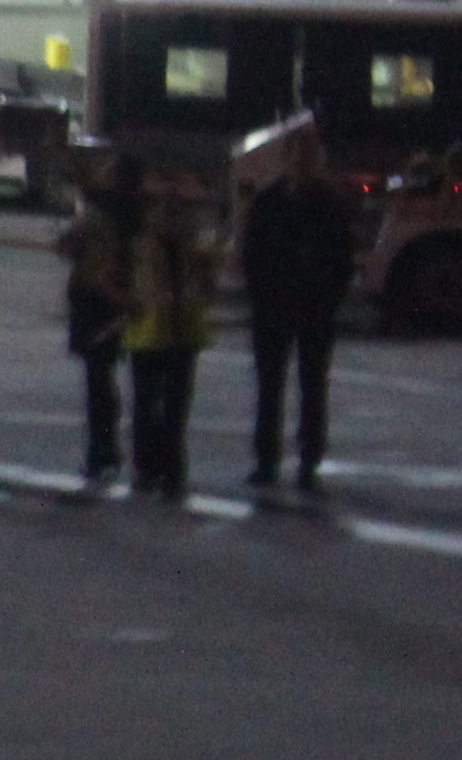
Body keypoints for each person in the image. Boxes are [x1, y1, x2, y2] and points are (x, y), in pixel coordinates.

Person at [240, 120, 362, 493]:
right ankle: (268, 460)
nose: (306, 162)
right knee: (272, 385)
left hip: (311, 306)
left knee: (309, 385)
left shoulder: (325, 206)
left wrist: (328, 299)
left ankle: (307, 460)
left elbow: (342, 259)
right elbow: (252, 256)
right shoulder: (271, 202)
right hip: (277, 305)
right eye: (300, 155)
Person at [125, 171, 219, 502]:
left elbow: (208, 286)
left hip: (181, 331)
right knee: (149, 406)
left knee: (173, 407)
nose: (171, 216)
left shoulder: (194, 248)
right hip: (150, 332)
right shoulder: (141, 243)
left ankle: (169, 469)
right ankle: (150, 467)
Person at [62, 152, 145, 488]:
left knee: (100, 382)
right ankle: (117, 452)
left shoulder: (108, 212)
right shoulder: (132, 213)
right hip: (106, 298)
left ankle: (103, 451)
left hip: (102, 300)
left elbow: (82, 248)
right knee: (108, 380)